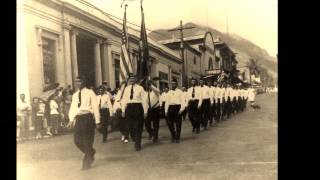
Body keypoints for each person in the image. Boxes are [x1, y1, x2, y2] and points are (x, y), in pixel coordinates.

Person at [68, 76, 100, 170]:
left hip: (87, 118)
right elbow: (73, 108)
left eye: (80, 81)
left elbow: (95, 107)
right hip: (79, 119)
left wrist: (97, 121)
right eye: (77, 81)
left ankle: (86, 163)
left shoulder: (90, 93)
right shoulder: (75, 95)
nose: (78, 83)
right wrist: (71, 119)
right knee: (77, 140)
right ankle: (91, 152)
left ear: (84, 82)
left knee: (87, 141)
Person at [121, 74, 148, 151]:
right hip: (129, 108)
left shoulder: (140, 88)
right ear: (129, 80)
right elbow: (124, 100)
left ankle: (137, 144)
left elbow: (144, 100)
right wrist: (123, 110)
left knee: (138, 127)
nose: (132, 80)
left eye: (133, 79)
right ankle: (135, 139)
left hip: (137, 107)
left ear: (136, 79)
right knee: (130, 126)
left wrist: (145, 111)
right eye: (130, 79)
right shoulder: (126, 89)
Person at [165, 79, 186, 143]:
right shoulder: (169, 92)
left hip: (177, 108)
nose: (173, 85)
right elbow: (167, 102)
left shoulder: (180, 92)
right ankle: (173, 135)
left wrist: (181, 109)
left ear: (176, 84)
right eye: (172, 84)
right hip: (170, 108)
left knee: (178, 124)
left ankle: (177, 137)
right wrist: (166, 110)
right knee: (169, 123)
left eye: (174, 83)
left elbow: (183, 101)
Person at [145, 78, 161, 143]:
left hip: (155, 109)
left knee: (155, 124)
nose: (148, 86)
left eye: (149, 85)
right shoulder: (146, 93)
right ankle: (151, 133)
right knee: (147, 124)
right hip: (149, 110)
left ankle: (155, 137)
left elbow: (158, 91)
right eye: (147, 85)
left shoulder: (156, 92)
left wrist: (151, 85)